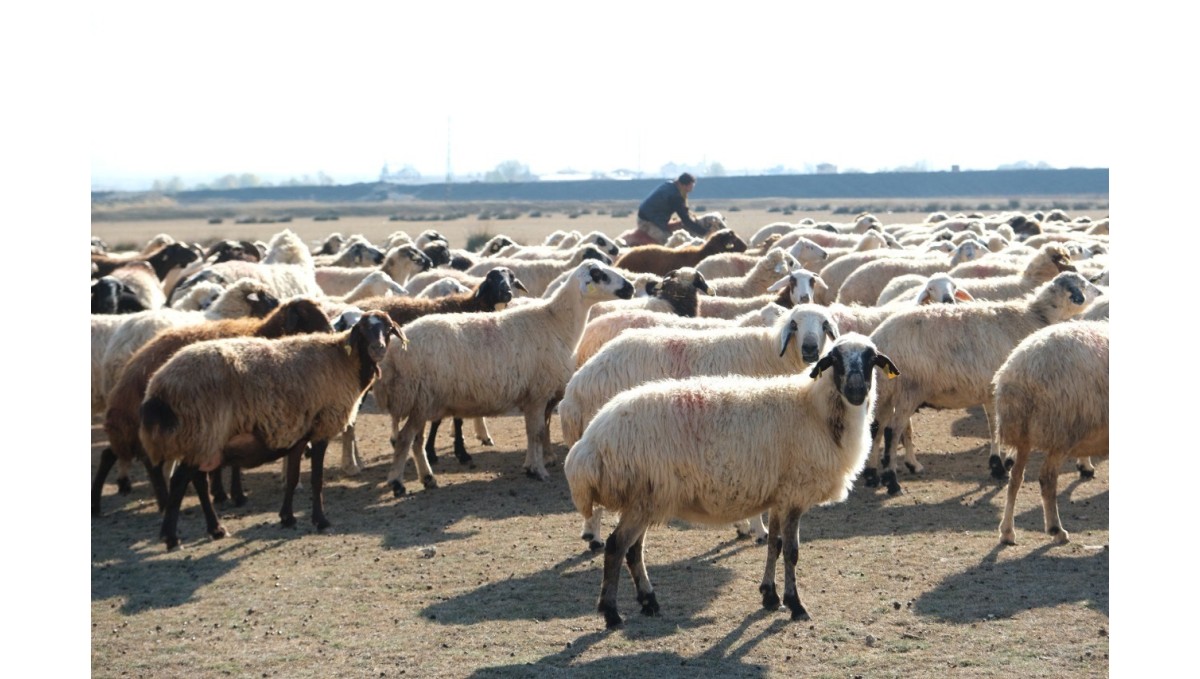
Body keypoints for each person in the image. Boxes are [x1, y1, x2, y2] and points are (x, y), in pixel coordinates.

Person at [620, 172, 708, 246]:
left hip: (652, 217)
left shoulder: (670, 185)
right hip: (648, 222)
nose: (692, 189)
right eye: (691, 186)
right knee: (668, 241)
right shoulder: (675, 196)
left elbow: (684, 213)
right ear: (685, 185)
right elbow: (686, 219)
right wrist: (704, 232)